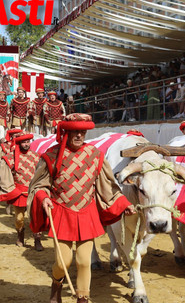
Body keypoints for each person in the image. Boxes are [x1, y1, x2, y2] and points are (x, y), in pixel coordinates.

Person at [27, 113, 135, 303]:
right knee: (63, 262)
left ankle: (82, 298)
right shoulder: (51, 155)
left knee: (84, 261)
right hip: (61, 212)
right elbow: (39, 185)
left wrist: (123, 203)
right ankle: (56, 285)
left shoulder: (95, 155)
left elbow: (107, 186)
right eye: (74, 132)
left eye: (82, 132)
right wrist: (44, 197)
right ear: (66, 132)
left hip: (86, 213)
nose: (79, 136)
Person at [0, 131, 43, 250]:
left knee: (35, 217)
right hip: (19, 192)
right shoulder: (11, 157)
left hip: (33, 192)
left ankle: (37, 240)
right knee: (19, 218)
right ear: (19, 143)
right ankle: (20, 235)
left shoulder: (36, 156)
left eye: (28, 141)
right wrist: (10, 189)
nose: (26, 144)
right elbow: (4, 173)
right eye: (24, 142)